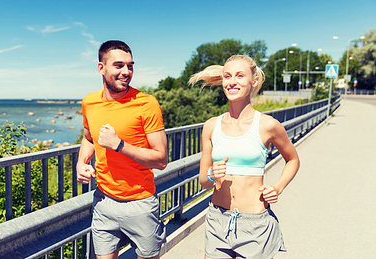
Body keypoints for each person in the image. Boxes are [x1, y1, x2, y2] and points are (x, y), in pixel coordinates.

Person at [189, 55, 300, 259]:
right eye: (227, 76)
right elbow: (204, 182)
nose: (232, 82)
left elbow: (293, 159)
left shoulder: (268, 125)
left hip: (254, 225)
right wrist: (212, 174)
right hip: (218, 219)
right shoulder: (211, 126)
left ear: (254, 81)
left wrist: (277, 187)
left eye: (240, 76)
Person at [77, 40, 168, 259]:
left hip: (140, 203)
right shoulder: (89, 102)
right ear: (101, 68)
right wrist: (82, 162)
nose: (126, 72)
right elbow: (89, 138)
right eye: (119, 65)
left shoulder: (145, 103)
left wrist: (120, 145)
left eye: (130, 66)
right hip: (103, 201)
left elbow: (161, 160)